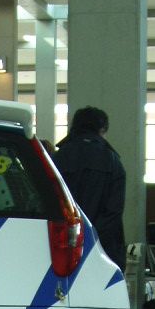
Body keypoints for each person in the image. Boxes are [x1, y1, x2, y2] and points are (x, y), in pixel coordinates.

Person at [52, 106, 126, 270]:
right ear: (102, 129)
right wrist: (91, 238)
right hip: (103, 250)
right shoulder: (112, 161)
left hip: (61, 244)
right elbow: (113, 211)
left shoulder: (58, 158)